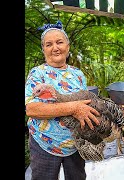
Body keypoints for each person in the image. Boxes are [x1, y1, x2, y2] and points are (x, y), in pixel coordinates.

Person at [25, 20, 100, 180]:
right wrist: (73, 108)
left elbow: (86, 104)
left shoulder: (78, 74)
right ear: (43, 49)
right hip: (45, 145)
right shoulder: (37, 74)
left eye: (59, 42)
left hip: (75, 144)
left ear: (68, 46)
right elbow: (31, 109)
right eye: (48, 44)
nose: (55, 48)